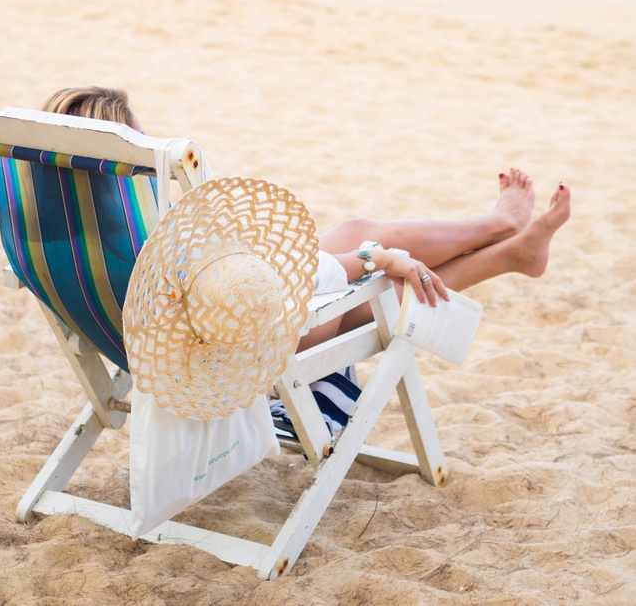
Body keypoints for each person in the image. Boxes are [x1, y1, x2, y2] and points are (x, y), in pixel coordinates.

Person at [41, 85, 571, 429]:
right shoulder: (136, 229)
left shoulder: (54, 231)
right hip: (234, 350)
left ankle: (511, 245)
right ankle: (505, 235)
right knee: (373, 273)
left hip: (174, 340)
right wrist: (376, 259)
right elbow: (307, 279)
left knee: (355, 231)